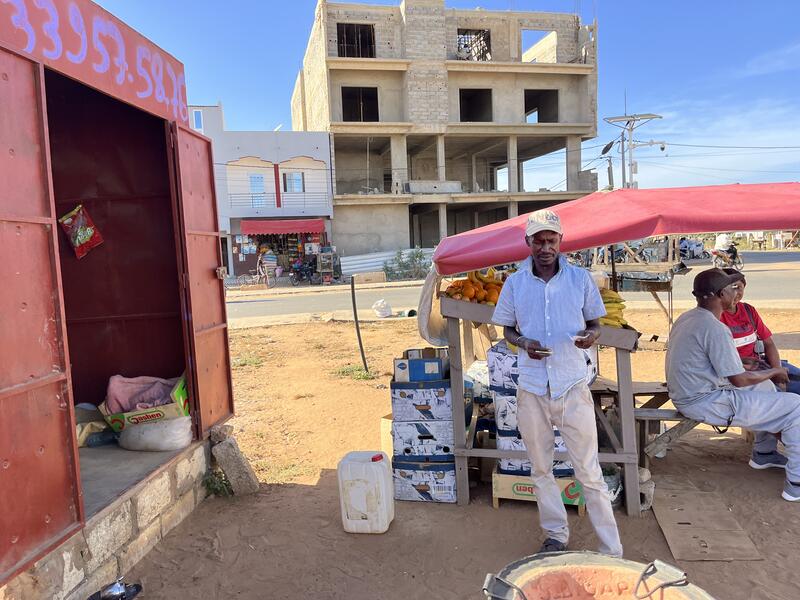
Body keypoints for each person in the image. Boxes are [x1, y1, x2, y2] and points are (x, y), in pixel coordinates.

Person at [492, 209, 622, 556]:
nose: (545, 247)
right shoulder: (515, 283)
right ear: (528, 243)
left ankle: (611, 548)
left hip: (572, 384)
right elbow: (507, 329)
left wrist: (591, 337)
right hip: (532, 387)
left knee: (589, 471)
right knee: (540, 468)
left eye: (551, 240)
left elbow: (596, 324)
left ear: (560, 242)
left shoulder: (580, 279)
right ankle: (555, 534)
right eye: (539, 240)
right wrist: (524, 344)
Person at [665, 268, 800, 501]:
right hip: (705, 401)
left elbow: (712, 362)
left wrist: (746, 365)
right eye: (732, 288)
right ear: (721, 294)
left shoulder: (688, 317)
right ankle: (795, 484)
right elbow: (738, 379)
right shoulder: (715, 328)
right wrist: (775, 371)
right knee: (795, 406)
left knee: (765, 390)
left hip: (690, 392)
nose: (737, 292)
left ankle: (764, 453)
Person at [719, 267, 800, 396]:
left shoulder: (748, 310)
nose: (735, 293)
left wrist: (776, 369)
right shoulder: (714, 317)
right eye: (731, 288)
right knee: (782, 397)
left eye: (739, 287)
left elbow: (768, 343)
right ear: (721, 291)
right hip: (739, 373)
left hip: (760, 364)